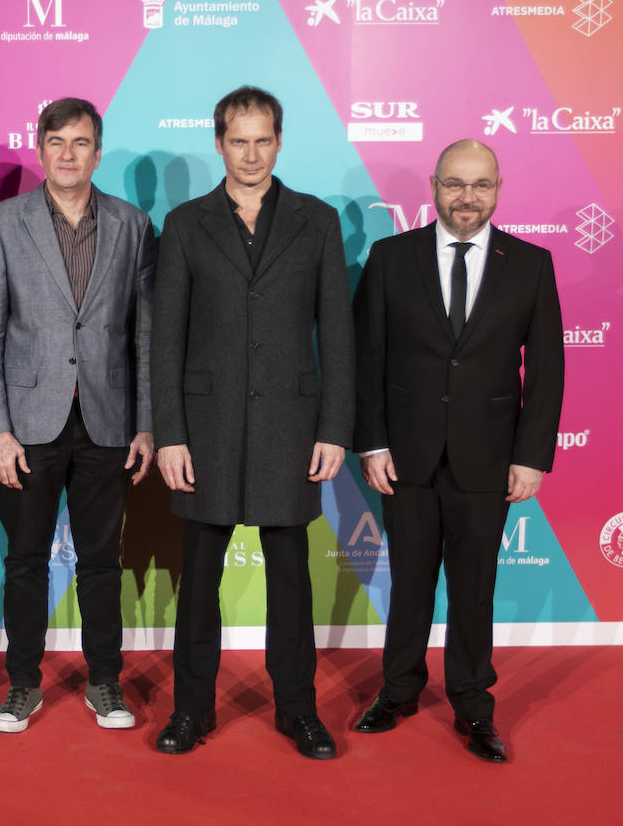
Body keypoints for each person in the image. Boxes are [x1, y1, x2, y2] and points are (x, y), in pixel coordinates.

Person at [151, 86, 353, 758]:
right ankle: (190, 711)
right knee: (199, 580)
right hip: (204, 430)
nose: (251, 154)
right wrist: (171, 434)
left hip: (292, 429)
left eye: (263, 140)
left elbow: (338, 335)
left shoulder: (316, 221)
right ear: (218, 144)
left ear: (280, 142)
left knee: (292, 580)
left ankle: (299, 709)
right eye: (238, 141)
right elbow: (166, 341)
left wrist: (334, 428)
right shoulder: (185, 223)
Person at [351, 139, 564, 763]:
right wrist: (373, 443)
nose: (466, 196)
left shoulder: (530, 264)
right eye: (454, 184)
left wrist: (532, 456)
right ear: (434, 185)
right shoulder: (391, 258)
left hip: (489, 458)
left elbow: (545, 369)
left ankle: (474, 706)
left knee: (475, 589)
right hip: (406, 457)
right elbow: (368, 361)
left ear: (497, 189)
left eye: (479, 185)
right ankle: (398, 690)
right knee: (410, 583)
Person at [0, 97, 157, 734]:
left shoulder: (132, 224)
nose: (68, 154)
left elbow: (145, 336)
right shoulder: (2, 223)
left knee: (102, 563)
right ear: (40, 148)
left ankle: (105, 682)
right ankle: (23, 684)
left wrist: (147, 423)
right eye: (57, 142)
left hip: (108, 421)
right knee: (25, 562)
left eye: (81, 142)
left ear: (98, 152)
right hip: (26, 424)